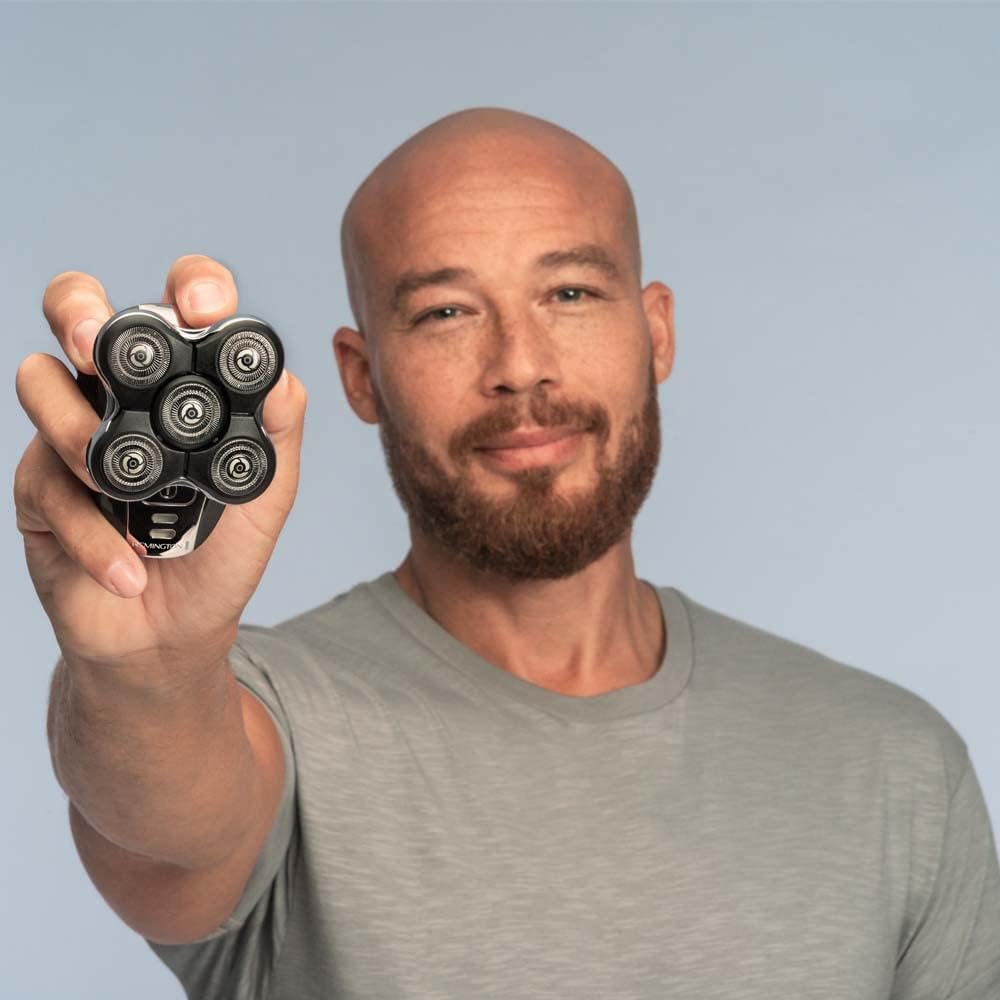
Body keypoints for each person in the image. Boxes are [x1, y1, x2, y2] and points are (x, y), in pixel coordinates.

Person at [18, 106, 1000, 999]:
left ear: (655, 332)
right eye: (445, 312)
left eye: (570, 292)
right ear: (361, 377)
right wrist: (146, 669)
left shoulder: (897, 769)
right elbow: (164, 825)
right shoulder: (264, 724)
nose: (521, 366)